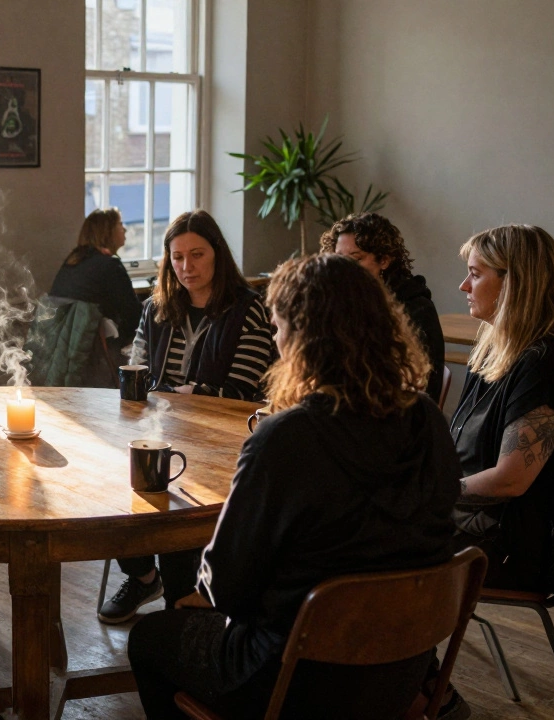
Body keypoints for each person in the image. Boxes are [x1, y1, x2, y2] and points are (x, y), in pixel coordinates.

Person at [127, 253, 460, 719]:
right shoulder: (426, 417)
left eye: (279, 327)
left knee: (149, 637)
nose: (276, 341)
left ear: (305, 339)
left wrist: (201, 591)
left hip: (294, 674)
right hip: (400, 665)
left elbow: (227, 587)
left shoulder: (286, 438)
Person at [100, 209, 274, 625]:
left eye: (197, 255)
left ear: (218, 254)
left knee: (176, 517)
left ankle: (181, 604)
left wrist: (190, 395)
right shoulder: (157, 309)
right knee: (109, 495)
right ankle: (143, 576)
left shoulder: (248, 309)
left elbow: (242, 393)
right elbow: (138, 374)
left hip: (220, 440)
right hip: (160, 432)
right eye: (177, 257)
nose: (186, 267)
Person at [451, 224, 554, 590]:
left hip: (508, 545)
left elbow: (511, 479)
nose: (464, 287)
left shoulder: (549, 364)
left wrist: (433, 494)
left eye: (474, 275)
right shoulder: (496, 351)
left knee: (368, 541)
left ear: (513, 283)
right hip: (475, 523)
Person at [320, 212, 445, 400]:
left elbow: (421, 388)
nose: (344, 268)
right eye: (339, 258)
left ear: (384, 260)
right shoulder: (342, 303)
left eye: (356, 258)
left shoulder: (415, 308)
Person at [48, 207, 143, 351]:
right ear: (108, 231)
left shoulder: (74, 260)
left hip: (63, 348)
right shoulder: (109, 265)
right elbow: (135, 317)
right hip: (97, 350)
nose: (125, 229)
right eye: (120, 224)